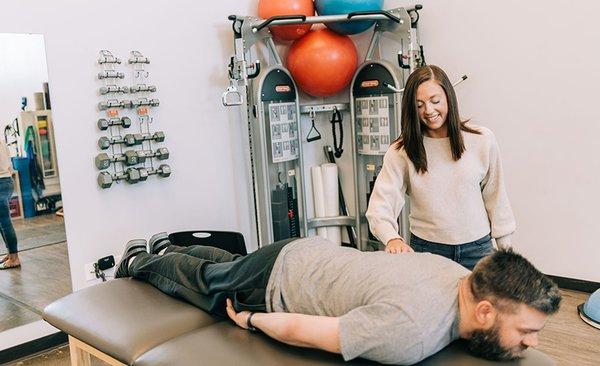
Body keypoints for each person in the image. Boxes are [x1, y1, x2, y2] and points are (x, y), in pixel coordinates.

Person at [116, 235, 560, 365]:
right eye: (526, 332)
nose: (532, 343)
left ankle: (171, 250)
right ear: (484, 310)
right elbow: (305, 333)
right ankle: (140, 261)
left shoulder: (461, 275)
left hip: (312, 252)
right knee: (209, 283)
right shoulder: (411, 331)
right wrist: (251, 320)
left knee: (230, 264)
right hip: (278, 280)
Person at [366, 65, 516, 270]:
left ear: (448, 98)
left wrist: (506, 253)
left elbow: (496, 197)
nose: (428, 111)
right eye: (419, 105)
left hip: (478, 250)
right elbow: (379, 206)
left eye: (435, 101)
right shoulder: (401, 151)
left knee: (485, 303)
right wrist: (392, 238)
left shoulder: (482, 140)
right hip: (427, 251)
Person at [0, 139, 19, 270]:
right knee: (3, 222)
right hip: (7, 181)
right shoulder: (1, 141)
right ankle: (10, 254)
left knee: (5, 222)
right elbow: (9, 163)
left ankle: (14, 258)